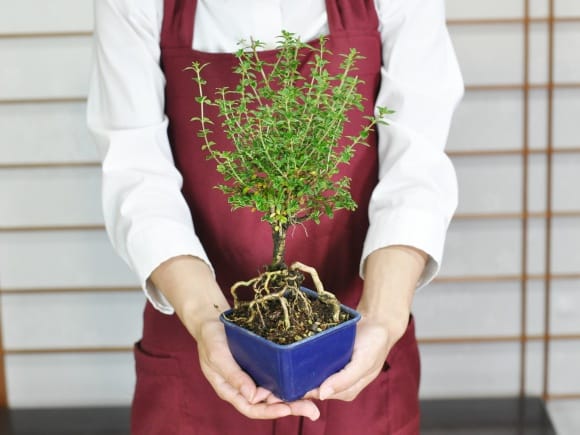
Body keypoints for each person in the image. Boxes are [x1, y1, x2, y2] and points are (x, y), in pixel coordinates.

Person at [87, 0, 463, 433]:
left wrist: (383, 316)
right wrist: (208, 319)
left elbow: (417, 158)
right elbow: (136, 169)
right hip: (197, 336)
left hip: (357, 336)